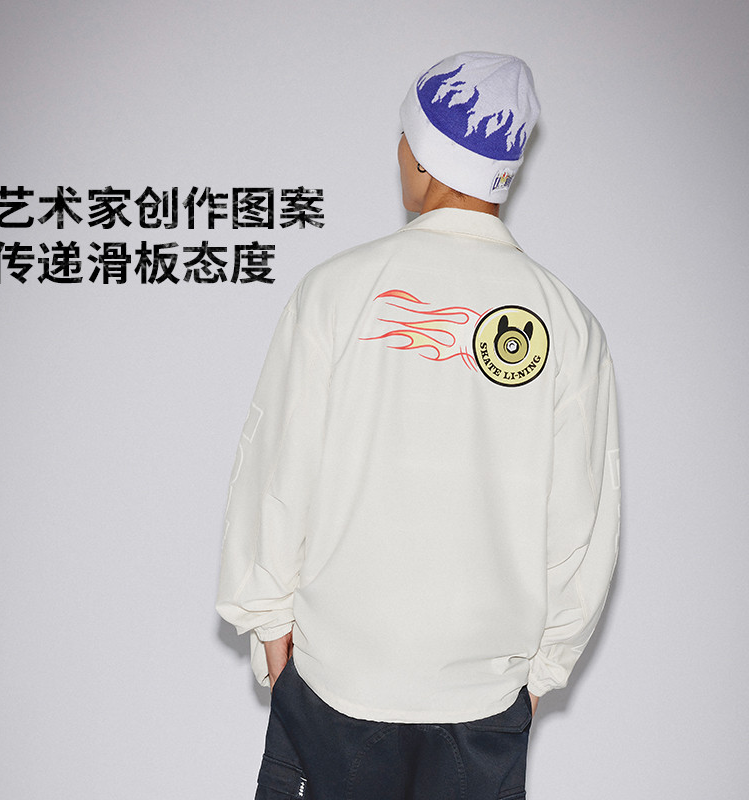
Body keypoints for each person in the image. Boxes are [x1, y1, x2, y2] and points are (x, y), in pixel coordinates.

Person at [217, 51, 620, 800]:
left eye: (404, 138)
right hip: (483, 701)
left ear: (425, 157)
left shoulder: (337, 291)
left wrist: (272, 631)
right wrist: (539, 677)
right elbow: (582, 523)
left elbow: (276, 466)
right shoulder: (569, 324)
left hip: (337, 683)